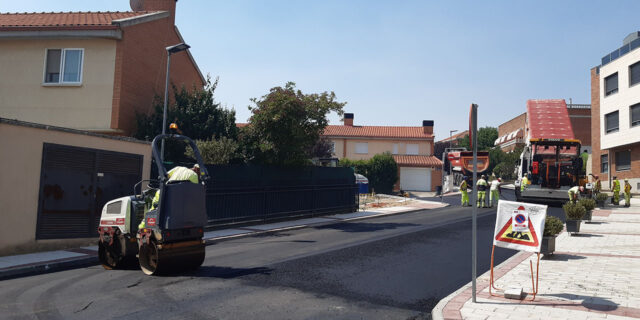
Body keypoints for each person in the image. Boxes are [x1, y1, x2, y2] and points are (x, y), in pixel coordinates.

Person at [139, 164, 201, 229]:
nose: (199, 175)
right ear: (196, 169)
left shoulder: (179, 168)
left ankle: (141, 228)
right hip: (176, 198)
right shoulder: (195, 176)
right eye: (199, 173)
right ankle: (143, 228)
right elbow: (194, 191)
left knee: (152, 211)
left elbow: (166, 176)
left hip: (163, 193)